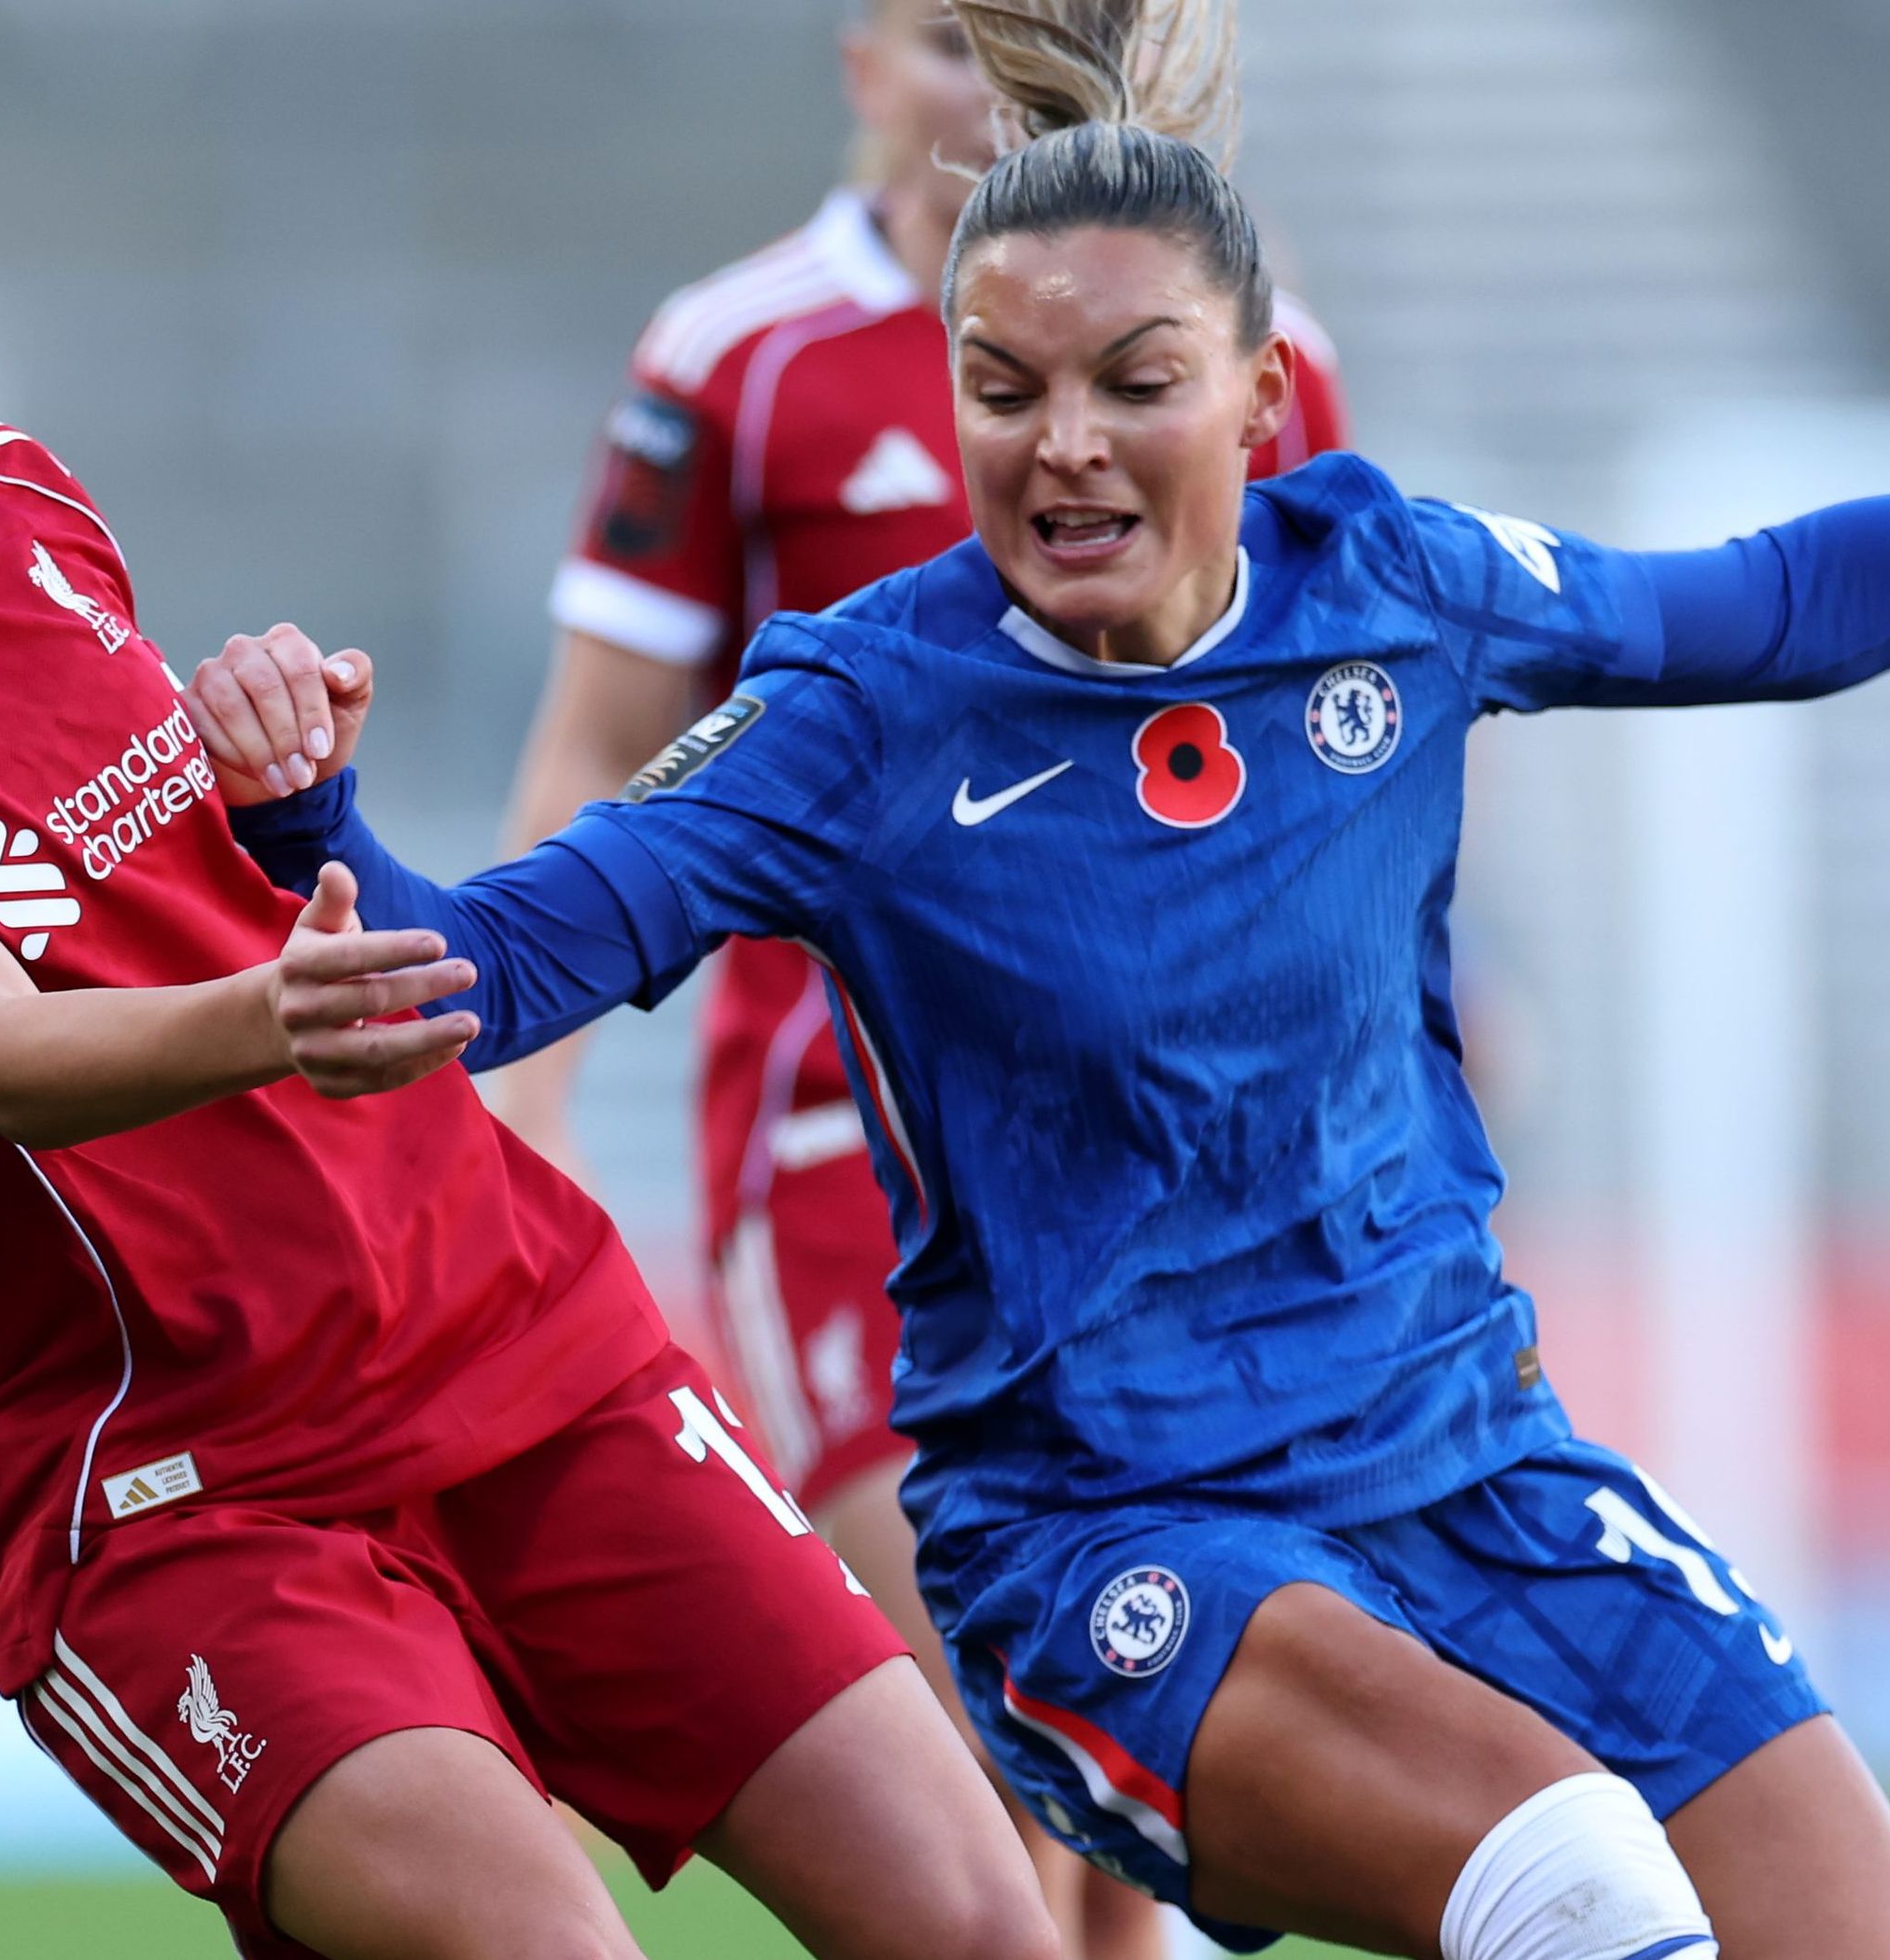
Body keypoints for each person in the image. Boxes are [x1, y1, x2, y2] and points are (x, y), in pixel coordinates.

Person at [193, 1, 1890, 1953]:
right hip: (1114, 1543)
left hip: (1473, 1471)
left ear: (1264, 400)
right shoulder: (858, 715)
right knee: (1575, 1886)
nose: (1057, 442)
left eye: (1129, 382)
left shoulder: (1398, 587)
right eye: (1003, 388)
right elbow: (480, 970)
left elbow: (1779, 600)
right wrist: (310, 826)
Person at [0, 94, 1052, 1960]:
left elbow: (169, 877)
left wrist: (280, 790)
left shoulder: (4, 487)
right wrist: (280, 1015)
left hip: (500, 1320)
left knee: (978, 1920)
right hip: (174, 1488)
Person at [496, 6, 1343, 1951]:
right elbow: (599, 740)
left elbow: (1344, 731)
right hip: (837, 1135)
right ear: (864, 51)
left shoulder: (1250, 341)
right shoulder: (739, 356)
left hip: (1158, 1149)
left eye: (1054, 30)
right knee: (972, 1763)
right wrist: (525, 1104)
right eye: (961, 33)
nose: (995, 83)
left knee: (1138, 1803)